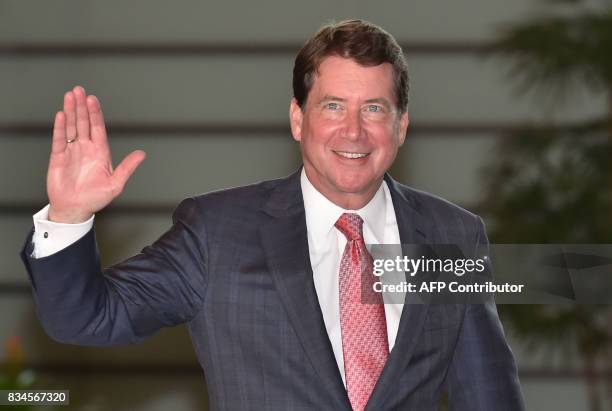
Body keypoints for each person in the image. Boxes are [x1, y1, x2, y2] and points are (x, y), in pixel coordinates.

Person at [20, 19, 524, 411]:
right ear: (297, 119)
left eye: (373, 108)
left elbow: (488, 394)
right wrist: (68, 216)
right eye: (332, 107)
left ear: (401, 126)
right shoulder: (217, 232)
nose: (353, 131)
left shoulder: (452, 235)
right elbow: (85, 321)